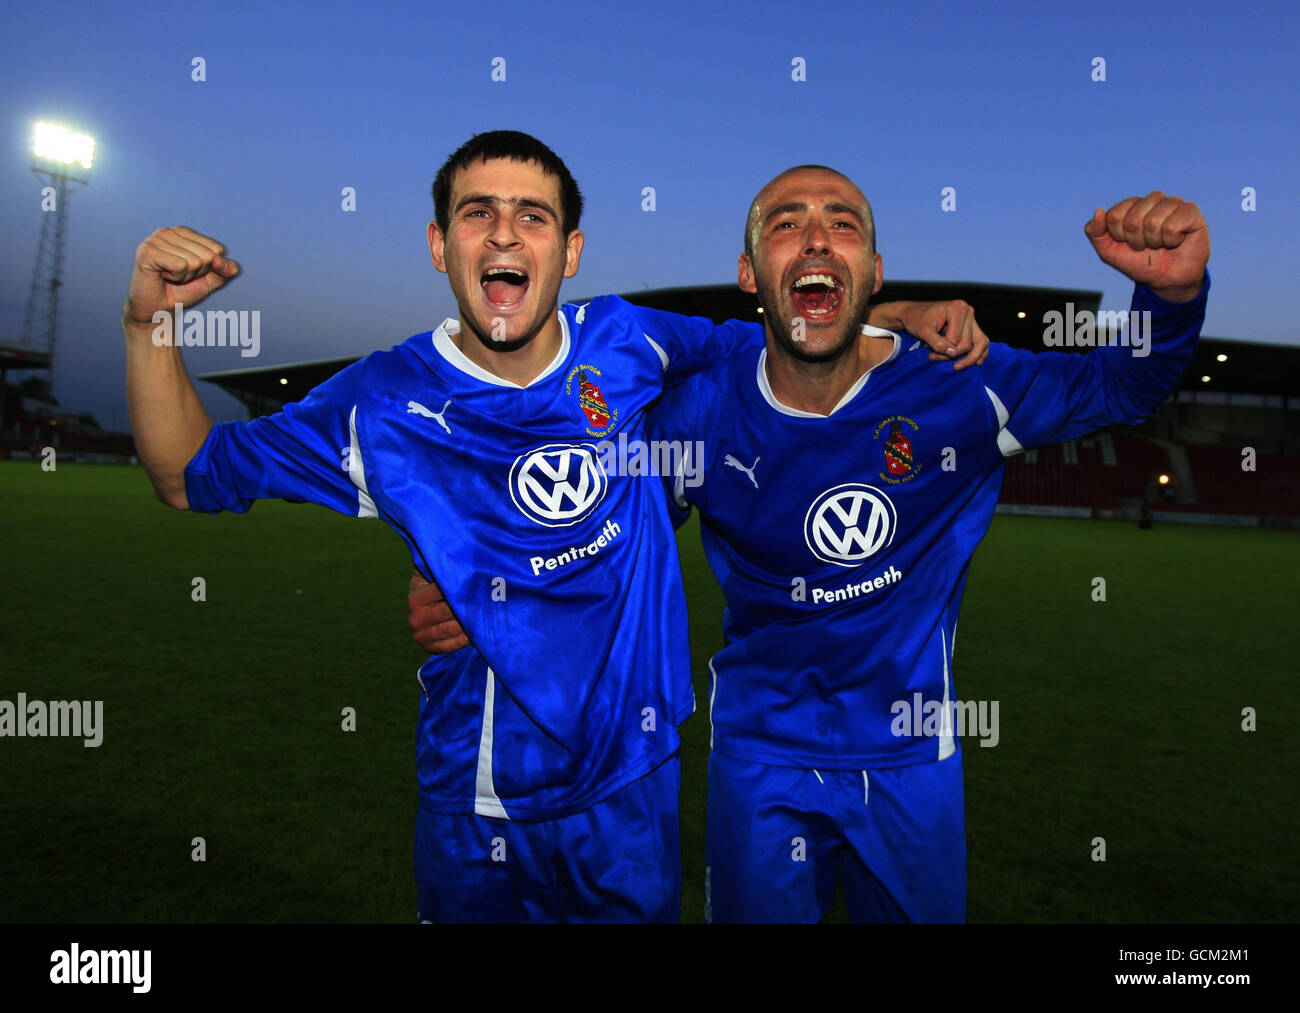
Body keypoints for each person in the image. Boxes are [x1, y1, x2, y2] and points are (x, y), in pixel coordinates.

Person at [122, 131, 983, 923]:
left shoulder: (630, 340)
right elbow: (187, 472)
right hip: (479, 796)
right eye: (477, 214)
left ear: (568, 251)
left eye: (531, 216)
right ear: (438, 245)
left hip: (632, 792)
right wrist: (147, 324)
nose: (503, 234)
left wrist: (893, 316)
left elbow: (782, 338)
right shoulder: (382, 401)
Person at [410, 164, 1210, 922]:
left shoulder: (963, 384)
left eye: (844, 224)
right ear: (751, 273)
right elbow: (599, 538)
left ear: (876, 269)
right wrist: (472, 578)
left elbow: (1120, 385)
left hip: (911, 755)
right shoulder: (698, 415)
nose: (818, 238)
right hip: (760, 758)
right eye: (787, 225)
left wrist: (1168, 302)